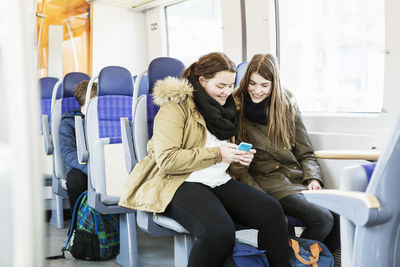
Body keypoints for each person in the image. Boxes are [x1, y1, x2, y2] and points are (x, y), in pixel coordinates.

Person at [119, 52, 289, 267]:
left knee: (272, 212)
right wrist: (219, 153)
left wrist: (237, 158)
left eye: (230, 86)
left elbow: (221, 154)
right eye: (221, 86)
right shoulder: (176, 106)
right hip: (179, 181)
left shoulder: (226, 108)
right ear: (202, 81)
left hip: (217, 179)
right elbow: (168, 160)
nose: (227, 92)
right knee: (219, 231)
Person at [231, 53, 340, 253]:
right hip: (265, 182)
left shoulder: (287, 103)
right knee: (323, 219)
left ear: (275, 84)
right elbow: (237, 167)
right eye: (252, 83)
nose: (257, 90)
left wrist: (313, 178)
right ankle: (296, 260)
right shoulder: (235, 106)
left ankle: (315, 262)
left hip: (294, 179)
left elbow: (305, 151)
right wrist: (262, 200)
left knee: (340, 217)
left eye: (264, 85)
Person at [59, 80, 97, 216]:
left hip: (100, 164)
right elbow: (68, 152)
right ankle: (78, 224)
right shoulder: (68, 121)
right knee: (76, 181)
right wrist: (89, 169)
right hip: (80, 167)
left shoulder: (101, 118)